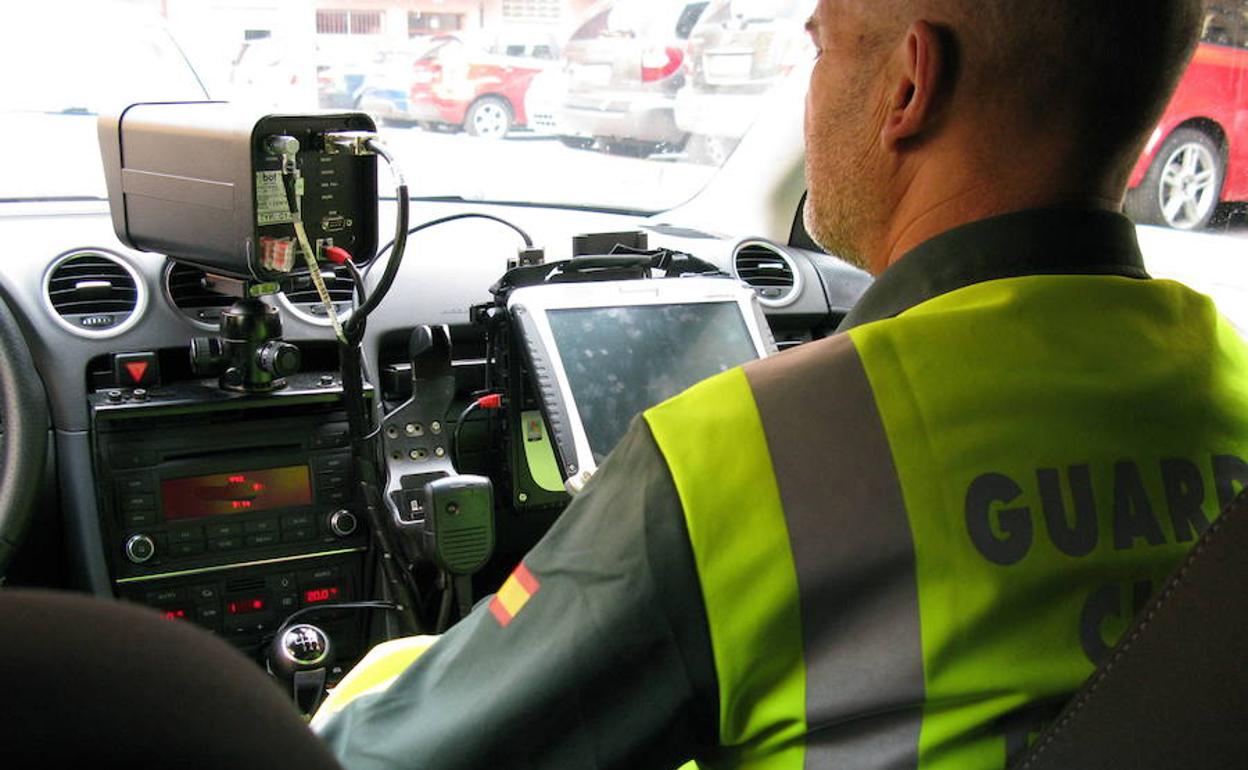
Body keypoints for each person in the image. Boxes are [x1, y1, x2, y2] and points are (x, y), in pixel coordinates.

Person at [316, 1, 1248, 767]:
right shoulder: (1231, 390)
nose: (813, 87)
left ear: (910, 85)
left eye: (823, 43)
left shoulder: (744, 456)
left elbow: (385, 760)